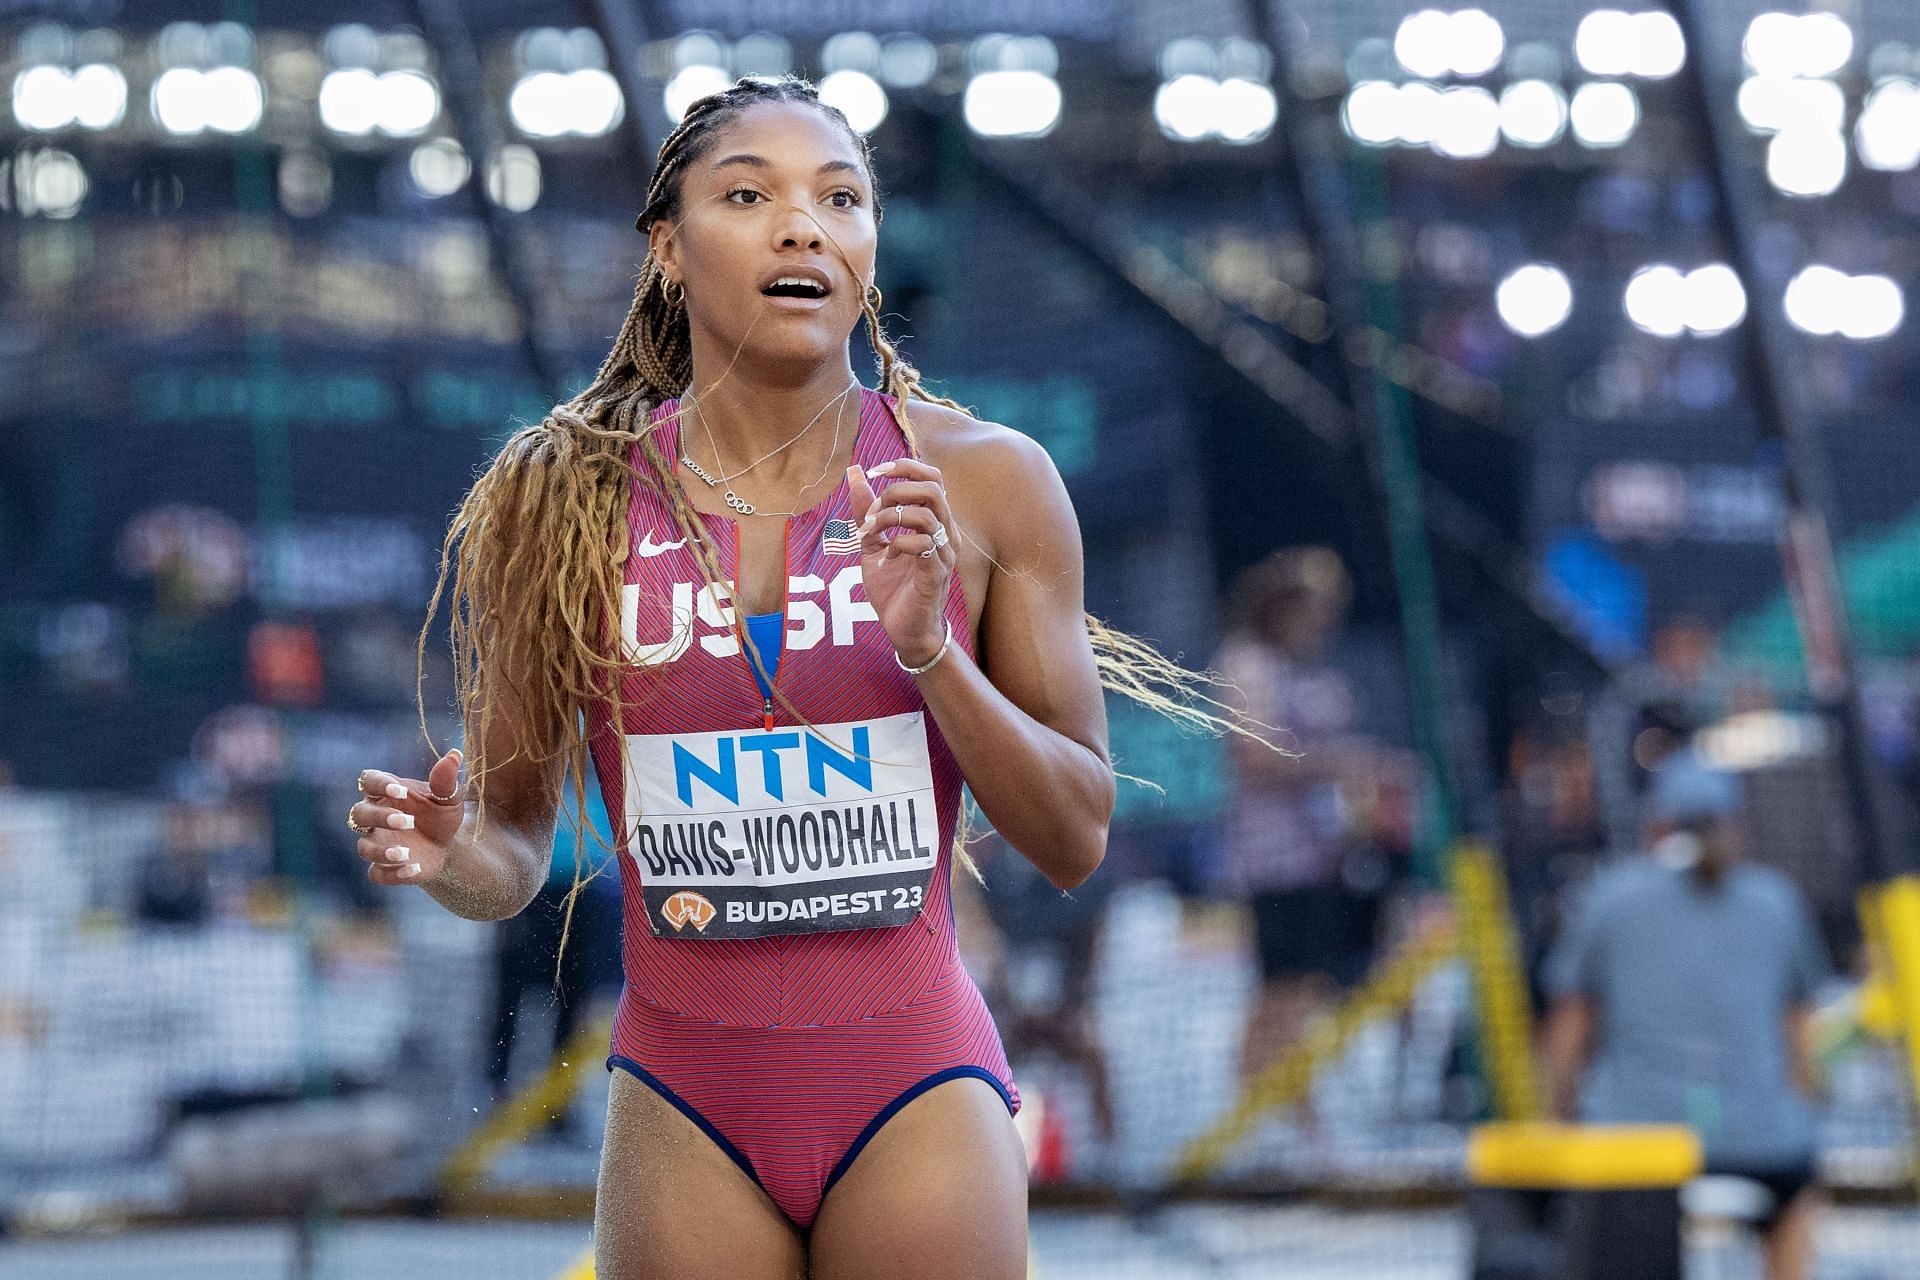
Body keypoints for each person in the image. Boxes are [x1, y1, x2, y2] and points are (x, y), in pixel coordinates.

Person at [348, 76, 1126, 1279]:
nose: (802, 226)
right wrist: (453, 858)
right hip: (685, 1104)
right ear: (667, 247)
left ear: (868, 249)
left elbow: (1076, 834)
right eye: (748, 194)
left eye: (842, 198)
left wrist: (931, 655)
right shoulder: (560, 497)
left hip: (913, 1083)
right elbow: (508, 844)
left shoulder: (983, 483)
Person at [1542, 747, 1829, 1280]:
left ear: (1656, 822)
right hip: (1761, 1145)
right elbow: (1803, 1040)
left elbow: (1567, 1037)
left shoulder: (1608, 898)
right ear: (1734, 824)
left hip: (1632, 1143)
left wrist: (1559, 1120)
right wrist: (1805, 1109)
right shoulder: (1776, 901)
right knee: (1794, 1200)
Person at [1214, 547, 1386, 1084]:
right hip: (1274, 860)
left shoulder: (1301, 670)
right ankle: (1246, 1118)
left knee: (1310, 989)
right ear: (1283, 607)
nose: (1323, 626)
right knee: (1283, 990)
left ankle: (1290, 1122)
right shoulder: (1247, 661)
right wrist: (1340, 762)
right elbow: (1253, 755)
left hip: (1318, 856)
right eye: (1316, 611)